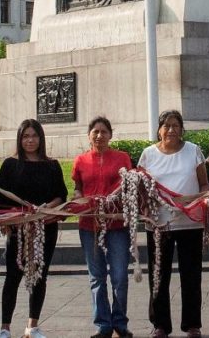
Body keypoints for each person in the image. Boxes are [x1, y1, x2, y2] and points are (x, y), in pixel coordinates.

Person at [136, 110, 208, 338]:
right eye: (166, 125)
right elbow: (140, 189)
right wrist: (145, 206)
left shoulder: (193, 151)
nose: (171, 130)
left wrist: (204, 202)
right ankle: (160, 325)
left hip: (190, 222)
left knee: (191, 274)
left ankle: (192, 324)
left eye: (175, 125)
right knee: (158, 275)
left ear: (182, 128)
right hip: (159, 225)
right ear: (159, 129)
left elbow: (204, 184)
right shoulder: (148, 155)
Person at [0, 119, 68, 338]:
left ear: (41, 138)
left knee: (40, 276)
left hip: (45, 228)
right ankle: (5, 328)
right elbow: (0, 199)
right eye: (25, 136)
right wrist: (8, 222)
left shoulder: (52, 165)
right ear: (19, 138)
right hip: (18, 229)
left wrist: (47, 209)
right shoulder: (10, 164)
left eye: (34, 135)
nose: (30, 140)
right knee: (13, 276)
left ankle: (32, 325)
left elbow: (61, 195)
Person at [73, 116, 134, 338]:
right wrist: (78, 200)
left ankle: (119, 322)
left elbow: (129, 187)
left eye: (103, 131)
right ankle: (103, 324)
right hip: (90, 225)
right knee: (96, 277)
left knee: (119, 276)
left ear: (110, 135)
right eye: (95, 132)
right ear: (89, 135)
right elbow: (78, 189)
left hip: (117, 224)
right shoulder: (80, 161)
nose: (99, 136)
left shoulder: (122, 158)